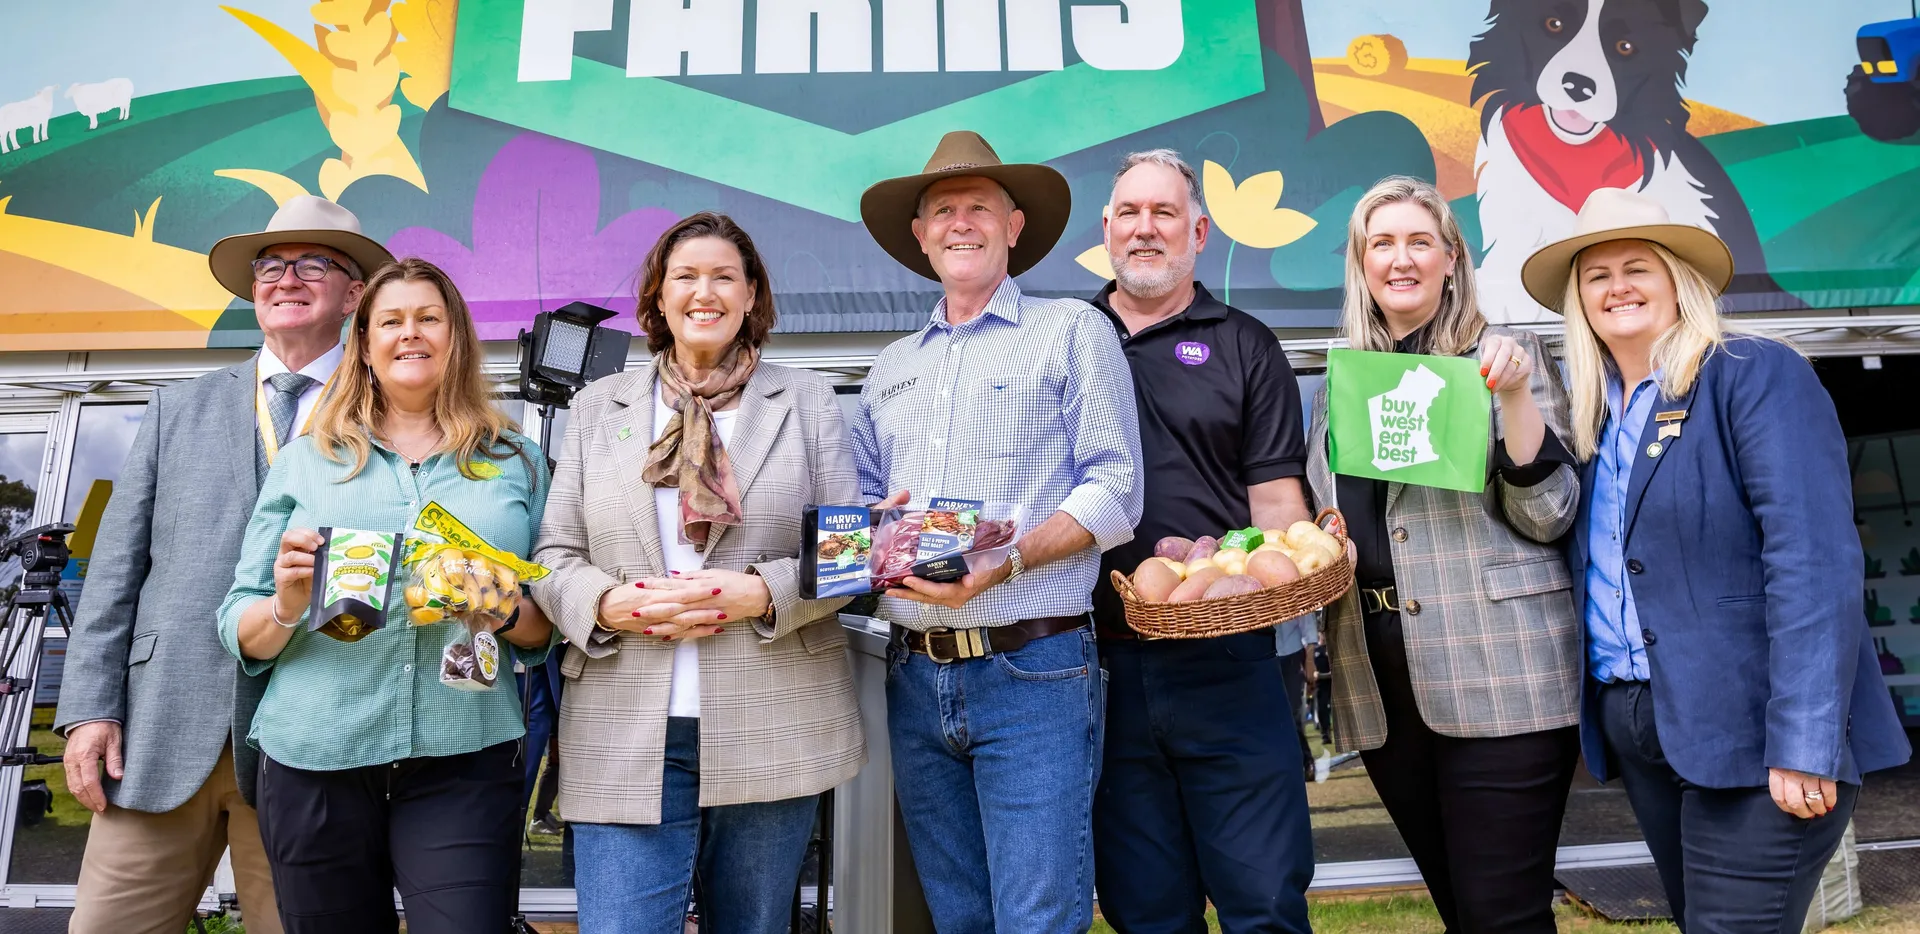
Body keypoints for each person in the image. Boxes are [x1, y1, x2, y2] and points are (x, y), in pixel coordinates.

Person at [1523, 188, 1913, 932]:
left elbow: (1813, 562)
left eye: (1638, 267)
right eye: (1596, 275)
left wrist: (1804, 742)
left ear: (1679, 280)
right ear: (1578, 299)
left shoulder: (1754, 373)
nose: (1618, 287)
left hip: (1756, 731)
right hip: (1646, 725)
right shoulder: (1592, 413)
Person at [54, 196, 393, 934]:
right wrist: (89, 708)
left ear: (355, 292)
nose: (285, 278)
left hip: (318, 738)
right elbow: (115, 573)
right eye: (270, 265)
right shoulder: (178, 408)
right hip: (158, 730)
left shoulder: (392, 412)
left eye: (314, 263)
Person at [530, 212, 866, 933]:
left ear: (752, 296)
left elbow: (850, 551)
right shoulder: (598, 409)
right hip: (625, 718)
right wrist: (607, 604)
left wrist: (761, 592)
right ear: (658, 298)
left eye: (724, 276)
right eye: (685, 276)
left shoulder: (805, 401)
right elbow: (555, 554)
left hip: (774, 711)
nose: (703, 292)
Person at [853, 130, 1143, 933]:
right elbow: (867, 509)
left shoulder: (1071, 331)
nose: (960, 223)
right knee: (960, 919)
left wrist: (1007, 559)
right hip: (914, 677)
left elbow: (1117, 488)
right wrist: (864, 540)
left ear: (1014, 226)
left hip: (1035, 668)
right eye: (942, 209)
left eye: (978, 206)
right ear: (919, 235)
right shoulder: (889, 367)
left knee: (1037, 919)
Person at [217, 258, 556, 934]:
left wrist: (505, 609)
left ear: (455, 337)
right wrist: (287, 603)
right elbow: (239, 622)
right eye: (391, 321)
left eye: (428, 318)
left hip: (465, 752)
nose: (411, 333)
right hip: (316, 754)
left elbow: (547, 630)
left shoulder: (515, 458)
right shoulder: (306, 459)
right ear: (364, 342)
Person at [1304, 176, 1583, 934]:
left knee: (1503, 914)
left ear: (1451, 259)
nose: (1401, 259)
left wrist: (1515, 401)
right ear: (1362, 264)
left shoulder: (1504, 359)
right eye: (1381, 244)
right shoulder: (1341, 387)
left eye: (1419, 241)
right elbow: (1336, 519)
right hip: (1381, 686)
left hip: (1503, 671)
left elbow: (1551, 516)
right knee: (1465, 911)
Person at [1086, 149, 1314, 934]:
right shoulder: (1064, 340)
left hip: (1232, 663)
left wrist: (1277, 568)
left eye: (1165, 213)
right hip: (1098, 666)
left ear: (1200, 231)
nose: (1145, 229)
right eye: (1130, 213)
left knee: (1265, 905)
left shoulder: (1245, 343)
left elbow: (1279, 501)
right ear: (1106, 229)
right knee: (1146, 911)